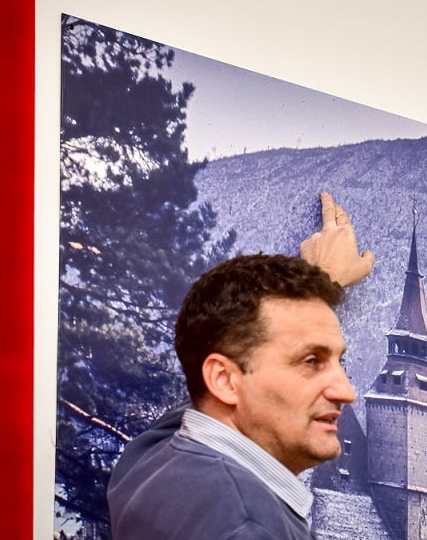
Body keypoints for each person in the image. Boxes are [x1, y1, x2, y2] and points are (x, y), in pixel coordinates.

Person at [107, 192, 374, 539]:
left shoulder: (147, 463)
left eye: (338, 361)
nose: (347, 392)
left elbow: (206, 406)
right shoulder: (247, 529)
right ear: (223, 380)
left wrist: (320, 283)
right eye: (311, 361)